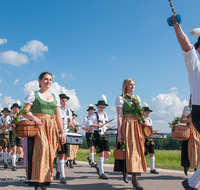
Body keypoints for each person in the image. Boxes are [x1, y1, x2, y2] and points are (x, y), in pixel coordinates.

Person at [22, 72, 65, 190]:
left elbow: (58, 115)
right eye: (45, 79)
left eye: (50, 80)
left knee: (50, 154)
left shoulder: (55, 97)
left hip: (51, 127)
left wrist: (62, 131)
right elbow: (24, 112)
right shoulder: (33, 94)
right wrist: (34, 117)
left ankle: (44, 181)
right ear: (40, 81)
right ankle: (38, 182)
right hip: (39, 126)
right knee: (41, 151)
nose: (48, 82)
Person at [171, 14, 200, 190]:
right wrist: (177, 27)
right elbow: (186, 46)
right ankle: (191, 182)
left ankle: (191, 183)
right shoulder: (195, 63)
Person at [114, 78, 147, 190]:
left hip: (137, 125)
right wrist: (119, 132)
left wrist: (144, 122)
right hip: (127, 125)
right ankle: (127, 172)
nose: (132, 86)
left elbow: (140, 113)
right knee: (127, 150)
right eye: (130, 84)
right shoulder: (120, 98)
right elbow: (119, 116)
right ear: (125, 86)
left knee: (137, 150)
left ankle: (134, 177)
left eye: (134, 84)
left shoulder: (137, 98)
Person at [87, 94, 112, 180]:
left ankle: (98, 165)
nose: (102, 109)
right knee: (101, 153)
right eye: (101, 107)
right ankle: (101, 173)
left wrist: (109, 127)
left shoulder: (105, 115)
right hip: (97, 135)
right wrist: (97, 125)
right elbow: (89, 124)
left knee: (108, 154)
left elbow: (106, 124)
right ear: (97, 107)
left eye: (104, 107)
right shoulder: (94, 115)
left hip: (104, 135)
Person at [180, 95, 200, 176]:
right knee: (190, 150)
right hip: (190, 131)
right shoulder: (188, 108)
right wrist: (192, 120)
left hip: (198, 131)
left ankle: (197, 169)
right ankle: (188, 166)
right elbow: (182, 120)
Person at [56, 92, 72, 184]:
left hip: (67, 134)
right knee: (61, 154)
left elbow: (71, 121)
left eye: (65, 101)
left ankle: (58, 169)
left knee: (66, 156)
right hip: (59, 134)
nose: (64, 103)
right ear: (60, 101)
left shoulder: (69, 111)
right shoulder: (57, 110)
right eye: (63, 101)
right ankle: (63, 176)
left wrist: (72, 123)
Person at [6, 102, 23, 171]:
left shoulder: (21, 116)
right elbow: (7, 126)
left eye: (17, 108)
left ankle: (15, 160)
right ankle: (13, 165)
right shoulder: (9, 117)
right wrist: (12, 123)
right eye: (14, 108)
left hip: (19, 134)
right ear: (12, 109)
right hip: (12, 133)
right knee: (14, 149)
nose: (16, 109)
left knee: (20, 151)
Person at [143, 102, 159, 174]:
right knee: (145, 153)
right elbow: (145, 129)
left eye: (148, 112)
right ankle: (142, 166)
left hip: (150, 137)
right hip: (144, 138)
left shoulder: (150, 120)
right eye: (146, 112)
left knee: (152, 152)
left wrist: (152, 131)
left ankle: (152, 168)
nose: (148, 114)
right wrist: (152, 130)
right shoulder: (142, 119)